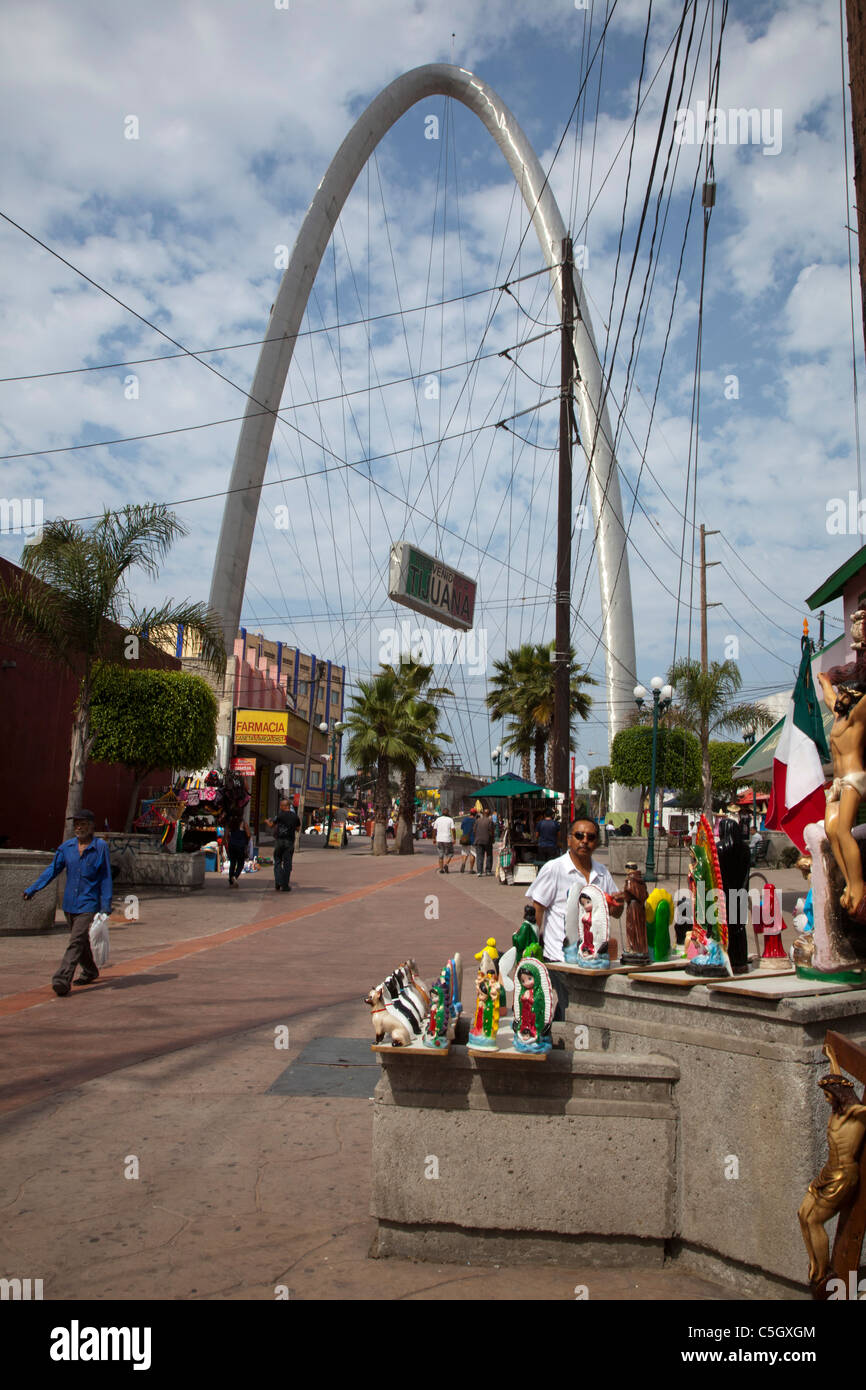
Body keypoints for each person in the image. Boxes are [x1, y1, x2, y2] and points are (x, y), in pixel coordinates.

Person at [527, 817, 624, 1017]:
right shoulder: (555, 868)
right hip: (560, 958)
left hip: (593, 958)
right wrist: (533, 949)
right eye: (579, 836)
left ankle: (555, 1040)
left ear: (597, 842)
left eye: (590, 837)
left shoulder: (602, 873)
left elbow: (616, 913)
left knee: (578, 1009)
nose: (584, 841)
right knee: (570, 1008)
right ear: (569, 839)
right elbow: (538, 909)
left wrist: (618, 904)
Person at [22, 809, 113, 996]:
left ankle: (62, 979)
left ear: (91, 826)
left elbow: (105, 877)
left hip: (88, 903)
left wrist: (106, 905)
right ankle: (90, 970)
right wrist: (33, 889)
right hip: (70, 903)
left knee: (76, 940)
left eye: (83, 823)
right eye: (76, 824)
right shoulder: (66, 848)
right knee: (80, 942)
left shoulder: (100, 847)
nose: (78, 827)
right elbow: (52, 870)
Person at [265, 797, 300, 891]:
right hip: (289, 842)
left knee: (277, 861)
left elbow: (272, 825)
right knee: (287, 864)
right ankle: (285, 885)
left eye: (281, 805)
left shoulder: (280, 815)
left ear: (285, 806)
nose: (280, 807)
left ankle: (278, 881)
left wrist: (267, 822)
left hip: (279, 841)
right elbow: (298, 829)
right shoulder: (295, 816)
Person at [226, 815, 251, 887]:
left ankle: (231, 882)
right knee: (240, 863)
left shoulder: (230, 823)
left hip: (232, 845)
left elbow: (226, 835)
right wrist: (246, 843)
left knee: (232, 863)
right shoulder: (243, 823)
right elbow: (248, 835)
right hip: (240, 846)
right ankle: (235, 876)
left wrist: (229, 842)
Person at [432, 806, 456, 873]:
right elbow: (453, 830)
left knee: (440, 855)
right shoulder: (450, 819)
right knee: (450, 853)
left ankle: (441, 869)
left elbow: (434, 830)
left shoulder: (438, 819)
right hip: (447, 839)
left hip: (439, 839)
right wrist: (454, 839)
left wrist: (434, 838)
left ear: (442, 813)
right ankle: (446, 864)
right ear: (448, 813)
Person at [473, 807, 495, 876]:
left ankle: (479, 871)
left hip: (478, 840)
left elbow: (474, 830)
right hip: (487, 840)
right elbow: (491, 832)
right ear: (489, 814)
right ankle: (488, 870)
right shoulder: (490, 821)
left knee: (479, 856)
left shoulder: (477, 821)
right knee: (489, 855)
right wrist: (492, 838)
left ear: (483, 813)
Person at [460, 808, 476, 874]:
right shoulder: (475, 820)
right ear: (475, 814)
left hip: (465, 839)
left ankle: (463, 863)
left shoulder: (465, 820)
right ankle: (471, 869)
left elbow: (462, 828)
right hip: (473, 839)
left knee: (464, 853)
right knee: (472, 854)